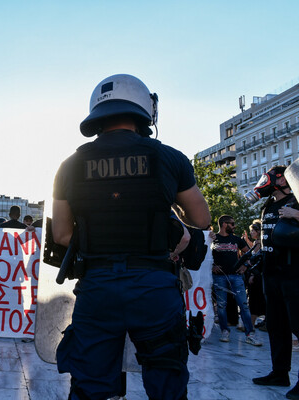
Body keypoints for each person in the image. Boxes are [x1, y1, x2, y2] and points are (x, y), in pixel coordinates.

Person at [52, 74, 210, 400]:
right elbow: (201, 219)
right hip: (154, 287)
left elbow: (62, 233)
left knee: (89, 387)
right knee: (167, 384)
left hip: (96, 287)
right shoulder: (170, 157)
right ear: (143, 110)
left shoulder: (68, 165)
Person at [251, 166, 299, 399]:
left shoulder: (297, 198)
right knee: (276, 326)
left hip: (294, 272)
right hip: (270, 273)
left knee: (298, 326)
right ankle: (280, 373)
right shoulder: (269, 204)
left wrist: (296, 214)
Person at [211, 215, 262, 345]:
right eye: (232, 224)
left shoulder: (236, 240)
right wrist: (211, 266)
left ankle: (250, 334)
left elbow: (249, 254)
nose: (234, 226)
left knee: (244, 306)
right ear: (224, 224)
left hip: (236, 276)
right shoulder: (213, 239)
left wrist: (245, 266)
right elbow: (205, 255)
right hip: (219, 277)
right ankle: (224, 331)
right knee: (221, 306)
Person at [243, 221, 266, 328]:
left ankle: (250, 325)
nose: (251, 232)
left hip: (256, 276)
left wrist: (252, 275)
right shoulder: (258, 242)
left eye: (253, 230)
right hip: (255, 275)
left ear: (258, 231)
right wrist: (247, 240)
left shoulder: (260, 244)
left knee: (254, 300)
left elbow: (256, 260)